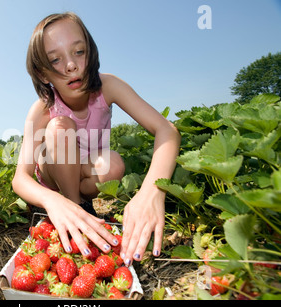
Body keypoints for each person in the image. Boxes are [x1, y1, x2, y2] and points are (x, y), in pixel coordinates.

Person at [12, 12, 180, 267]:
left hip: (86, 174)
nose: (71, 65)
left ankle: (80, 205)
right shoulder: (43, 108)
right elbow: (20, 178)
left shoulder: (109, 86)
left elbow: (166, 130)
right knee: (60, 128)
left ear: (90, 53)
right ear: (43, 73)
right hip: (54, 180)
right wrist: (52, 200)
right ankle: (70, 208)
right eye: (55, 59)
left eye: (78, 52)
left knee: (113, 164)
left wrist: (152, 190)